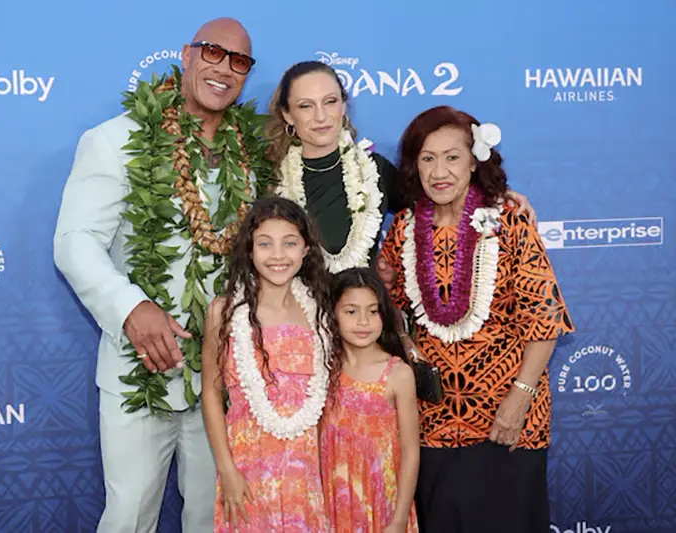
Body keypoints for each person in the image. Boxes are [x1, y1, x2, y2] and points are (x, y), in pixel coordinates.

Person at [53, 17, 271, 533]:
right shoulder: (117, 139)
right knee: (129, 515)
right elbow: (74, 241)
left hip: (227, 376)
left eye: (239, 61)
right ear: (187, 54)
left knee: (216, 517)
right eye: (213, 52)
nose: (224, 69)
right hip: (142, 370)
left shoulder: (256, 153)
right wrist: (130, 306)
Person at [379, 105, 575, 533]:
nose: (439, 171)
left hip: (507, 420)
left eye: (452, 156)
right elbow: (390, 309)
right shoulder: (404, 228)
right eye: (427, 158)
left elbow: (543, 320)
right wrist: (408, 346)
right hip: (433, 424)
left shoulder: (509, 221)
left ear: (474, 159)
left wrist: (519, 397)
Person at [264, 60, 537, 277]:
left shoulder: (373, 170)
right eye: (305, 106)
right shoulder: (269, 177)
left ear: (344, 105)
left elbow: (438, 195)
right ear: (288, 115)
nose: (321, 116)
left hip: (359, 324)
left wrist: (498, 195)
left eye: (330, 102)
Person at [200, 196, 333, 532]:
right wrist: (227, 471)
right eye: (265, 244)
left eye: (289, 243)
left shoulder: (319, 314)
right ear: (249, 249)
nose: (277, 255)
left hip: (308, 473)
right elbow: (211, 395)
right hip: (248, 470)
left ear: (305, 250)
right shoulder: (225, 312)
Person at [321, 267, 420, 533]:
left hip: (382, 505)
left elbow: (411, 452)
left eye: (373, 311)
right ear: (332, 314)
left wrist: (399, 519)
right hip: (330, 504)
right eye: (351, 311)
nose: (363, 321)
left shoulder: (397, 374)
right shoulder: (322, 368)